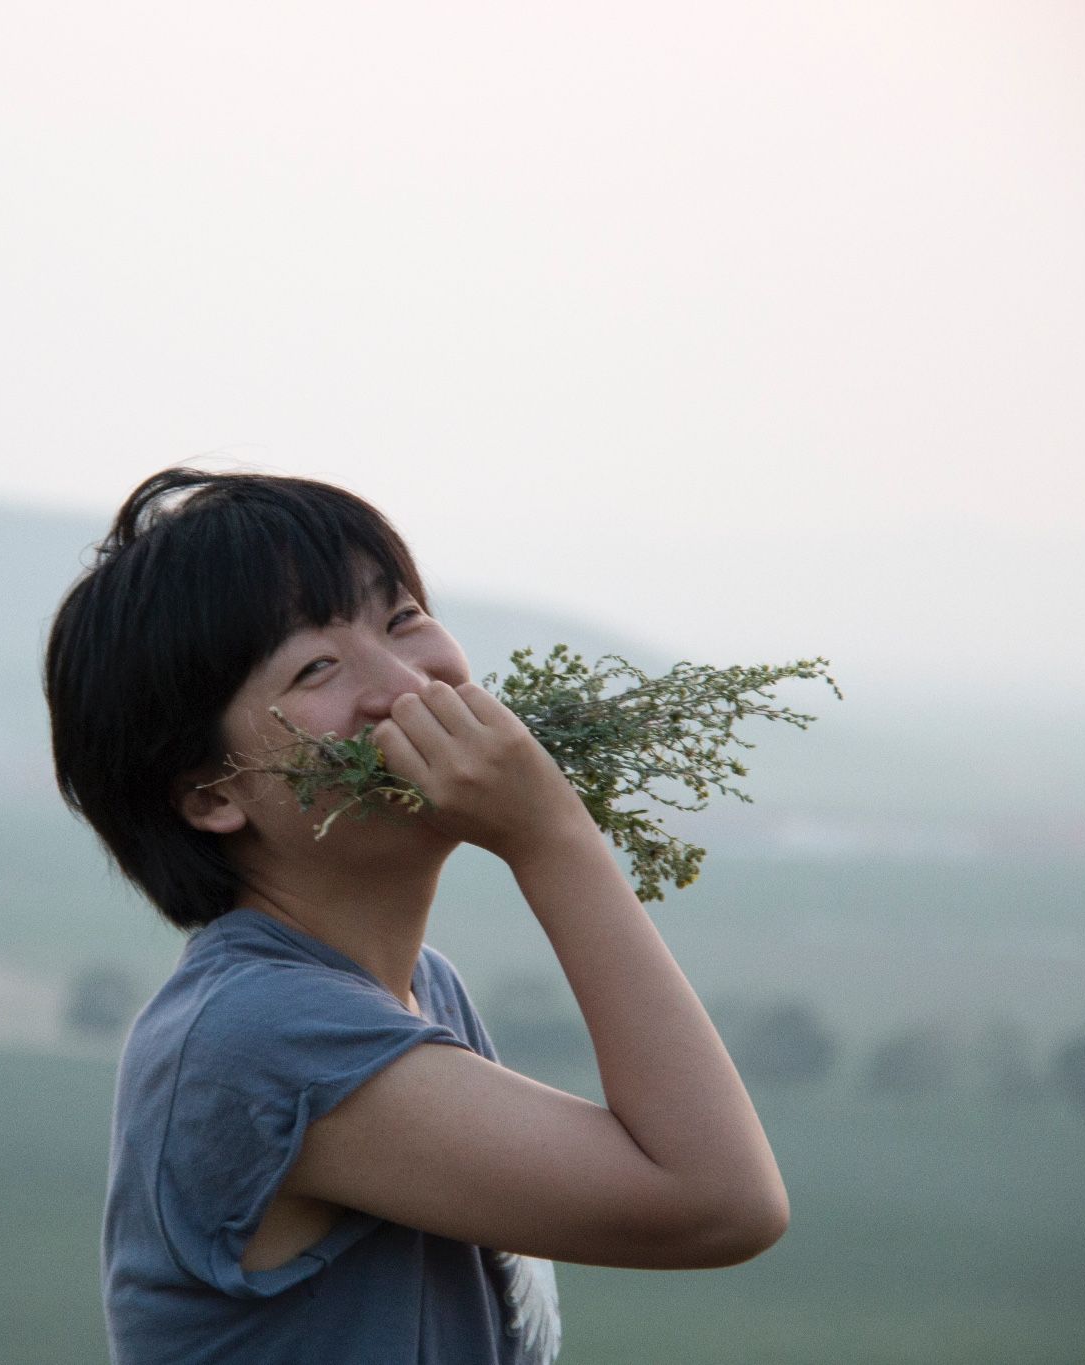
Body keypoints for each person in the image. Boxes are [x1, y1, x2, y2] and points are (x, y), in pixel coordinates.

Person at [45, 468, 787, 1365]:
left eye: (401, 619)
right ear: (211, 795)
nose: (404, 685)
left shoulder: (415, 987)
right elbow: (717, 1201)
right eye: (316, 665)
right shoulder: (260, 1036)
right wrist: (552, 837)